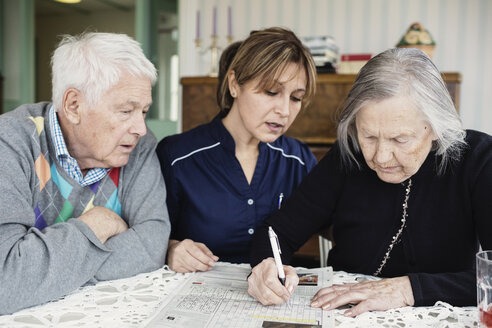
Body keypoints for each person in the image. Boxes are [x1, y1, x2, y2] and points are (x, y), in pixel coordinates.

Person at [248, 47, 492, 316]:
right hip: (341, 316)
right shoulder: (347, 154)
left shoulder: (478, 159)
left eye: (400, 139)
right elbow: (277, 232)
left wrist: (407, 289)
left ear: (436, 126)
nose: (380, 157)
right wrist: (267, 265)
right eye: (369, 136)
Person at [0, 32, 171, 314]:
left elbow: (153, 246)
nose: (140, 128)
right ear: (74, 106)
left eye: (144, 111)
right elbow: (6, 282)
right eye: (126, 110)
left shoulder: (138, 146)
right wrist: (98, 224)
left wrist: (40, 271)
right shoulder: (11, 143)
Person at [156, 27, 317, 273]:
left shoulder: (299, 160)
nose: (284, 110)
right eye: (271, 92)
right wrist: (170, 249)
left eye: (296, 98)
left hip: (275, 301)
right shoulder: (177, 157)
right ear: (234, 84)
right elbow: (143, 232)